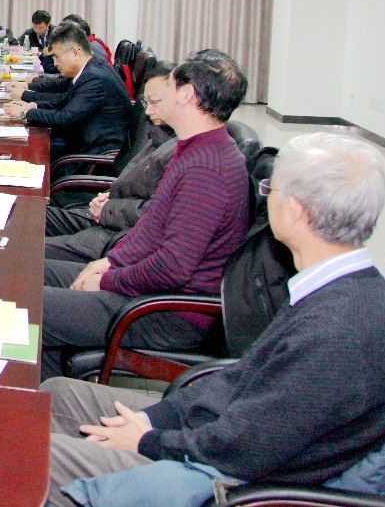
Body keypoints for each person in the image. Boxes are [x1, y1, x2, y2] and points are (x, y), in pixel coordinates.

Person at [44, 132, 385, 506]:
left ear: (296, 209)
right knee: (58, 395)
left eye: (270, 189)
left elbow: (245, 448)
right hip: (222, 433)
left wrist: (146, 440)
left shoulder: (339, 331)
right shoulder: (333, 287)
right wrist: (157, 417)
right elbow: (241, 377)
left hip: (234, 481)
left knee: (37, 454)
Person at [37, 49, 250, 381]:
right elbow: (151, 228)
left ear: (186, 95)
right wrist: (110, 262)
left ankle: (33, 402)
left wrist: (108, 279)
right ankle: (48, 382)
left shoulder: (207, 170)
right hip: (146, 287)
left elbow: (172, 267)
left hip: (167, 312)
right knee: (28, 271)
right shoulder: (195, 148)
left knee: (26, 306)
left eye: (171, 84)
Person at [45, 64, 177, 264]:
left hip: (115, 237)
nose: (149, 111)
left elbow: (157, 213)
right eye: (146, 102)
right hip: (108, 216)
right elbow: (134, 184)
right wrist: (110, 197)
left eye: (155, 102)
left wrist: (109, 207)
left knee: (23, 248)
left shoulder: (185, 153)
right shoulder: (160, 134)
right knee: (24, 214)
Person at [3, 22, 131, 159]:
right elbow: (64, 100)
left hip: (93, 154)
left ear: (75, 53)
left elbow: (66, 118)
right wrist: (32, 106)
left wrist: (26, 112)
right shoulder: (92, 67)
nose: (55, 63)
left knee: (26, 152)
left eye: (57, 56)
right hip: (80, 140)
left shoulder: (95, 78)